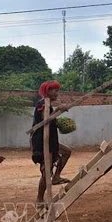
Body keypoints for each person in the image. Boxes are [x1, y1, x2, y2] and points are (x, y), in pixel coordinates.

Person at [30, 80, 72, 208]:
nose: (56, 92)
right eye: (54, 90)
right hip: (42, 142)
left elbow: (49, 120)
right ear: (47, 91)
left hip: (50, 140)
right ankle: (39, 199)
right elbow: (45, 119)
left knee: (66, 151)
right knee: (46, 172)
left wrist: (59, 122)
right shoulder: (42, 104)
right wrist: (59, 109)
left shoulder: (48, 105)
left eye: (57, 90)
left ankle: (57, 177)